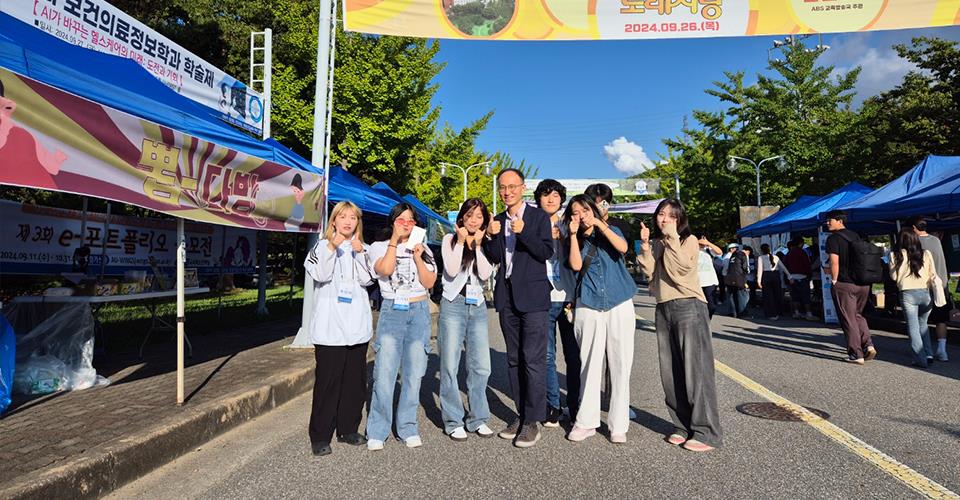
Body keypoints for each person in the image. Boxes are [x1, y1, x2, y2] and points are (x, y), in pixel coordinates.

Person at [637, 199, 723, 452]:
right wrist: (645, 245)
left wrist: (672, 238)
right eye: (661, 214)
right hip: (663, 307)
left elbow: (680, 271)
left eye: (671, 216)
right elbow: (650, 273)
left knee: (696, 370)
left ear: (680, 220)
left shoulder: (689, 240)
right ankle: (682, 425)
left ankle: (707, 432)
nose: (664, 219)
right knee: (670, 371)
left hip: (689, 306)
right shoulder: (656, 243)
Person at [482, 168, 554, 448]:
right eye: (502, 187)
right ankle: (521, 414)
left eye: (512, 186)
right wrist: (490, 236)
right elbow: (497, 258)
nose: (507, 191)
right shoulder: (497, 220)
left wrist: (524, 234)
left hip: (534, 298)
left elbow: (545, 252)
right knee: (513, 358)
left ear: (523, 188)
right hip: (507, 296)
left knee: (532, 359)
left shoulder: (537, 217)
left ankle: (533, 421)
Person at [303, 201, 374, 456]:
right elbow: (319, 275)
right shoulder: (321, 246)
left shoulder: (362, 249)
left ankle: (348, 428)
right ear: (333, 221)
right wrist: (333, 246)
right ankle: (320, 435)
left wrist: (361, 253)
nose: (347, 221)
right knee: (327, 383)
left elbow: (369, 279)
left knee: (355, 383)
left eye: (352, 218)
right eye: (342, 217)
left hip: (357, 326)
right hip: (330, 328)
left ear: (358, 222)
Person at [365, 202, 438, 450]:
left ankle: (407, 426)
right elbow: (383, 270)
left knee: (414, 373)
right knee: (384, 373)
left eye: (410, 220)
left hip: (418, 311)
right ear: (392, 222)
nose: (406, 224)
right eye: (401, 220)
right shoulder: (378, 247)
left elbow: (429, 282)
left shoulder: (424, 248)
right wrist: (395, 242)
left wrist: (418, 257)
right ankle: (377, 429)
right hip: (392, 309)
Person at [564, 195, 635, 444]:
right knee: (589, 365)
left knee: (621, 363)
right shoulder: (573, 237)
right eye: (575, 212)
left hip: (620, 301)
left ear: (592, 209)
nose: (581, 215)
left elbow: (623, 248)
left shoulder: (611, 229)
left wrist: (601, 224)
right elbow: (575, 265)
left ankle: (618, 425)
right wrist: (572, 235)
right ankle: (586, 422)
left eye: (584, 210)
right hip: (589, 303)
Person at [438, 198, 495, 441]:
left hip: (478, 306)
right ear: (461, 217)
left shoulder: (485, 243)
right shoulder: (449, 240)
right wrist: (461, 241)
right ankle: (453, 420)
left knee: (481, 365)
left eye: (479, 216)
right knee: (450, 365)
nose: (474, 220)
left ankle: (478, 418)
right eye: (470, 215)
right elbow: (451, 270)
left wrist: (479, 246)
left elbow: (485, 273)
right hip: (453, 304)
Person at [534, 179, 580, 427]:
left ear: (562, 199)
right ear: (538, 198)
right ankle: (553, 405)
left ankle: (576, 407)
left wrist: (565, 236)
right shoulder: (531, 223)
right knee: (548, 355)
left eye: (555, 196)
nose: (551, 199)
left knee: (574, 356)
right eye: (545, 195)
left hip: (569, 297)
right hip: (544, 297)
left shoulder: (570, 223)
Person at [824, 210, 876, 365]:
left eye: (830, 220)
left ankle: (856, 353)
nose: (827, 223)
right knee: (858, 315)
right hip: (863, 283)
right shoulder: (855, 236)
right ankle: (868, 345)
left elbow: (834, 262)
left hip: (845, 283)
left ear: (839, 221)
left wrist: (834, 280)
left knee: (848, 318)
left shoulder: (833, 239)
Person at [889, 228, 937, 368]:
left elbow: (894, 277)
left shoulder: (895, 255)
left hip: (907, 293)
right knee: (923, 324)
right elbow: (932, 273)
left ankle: (920, 358)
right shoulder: (926, 253)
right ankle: (928, 354)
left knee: (913, 327)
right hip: (925, 292)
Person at [908, 216, 950, 362]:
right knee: (941, 319)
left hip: (923, 286)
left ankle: (924, 351)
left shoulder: (915, 243)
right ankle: (942, 350)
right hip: (941, 285)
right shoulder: (936, 240)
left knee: (921, 321)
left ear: (913, 228)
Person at [784, 238, 816, 320]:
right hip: (803, 277)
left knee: (795, 297)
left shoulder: (788, 253)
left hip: (792, 277)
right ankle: (808, 313)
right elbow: (807, 265)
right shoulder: (802, 252)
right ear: (800, 243)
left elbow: (786, 265)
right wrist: (809, 275)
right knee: (806, 296)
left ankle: (796, 312)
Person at [757, 243, 787, 320]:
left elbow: (760, 270)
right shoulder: (776, 257)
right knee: (777, 294)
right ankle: (779, 312)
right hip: (776, 276)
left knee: (768, 296)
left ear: (761, 250)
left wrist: (758, 281)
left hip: (766, 276)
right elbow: (783, 267)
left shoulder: (761, 258)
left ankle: (771, 313)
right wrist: (789, 276)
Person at [722, 243, 750, 318]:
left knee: (731, 295)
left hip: (729, 277)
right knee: (742, 295)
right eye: (735, 248)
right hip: (739, 278)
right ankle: (742, 313)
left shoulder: (728, 256)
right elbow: (745, 267)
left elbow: (725, 268)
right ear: (731, 249)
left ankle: (733, 312)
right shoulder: (741, 255)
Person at [697, 236, 723, 318]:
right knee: (699, 305)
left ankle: (707, 319)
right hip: (697, 282)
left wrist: (708, 243)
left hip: (710, 281)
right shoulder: (692, 250)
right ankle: (701, 323)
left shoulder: (708, 250)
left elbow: (719, 252)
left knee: (711, 306)